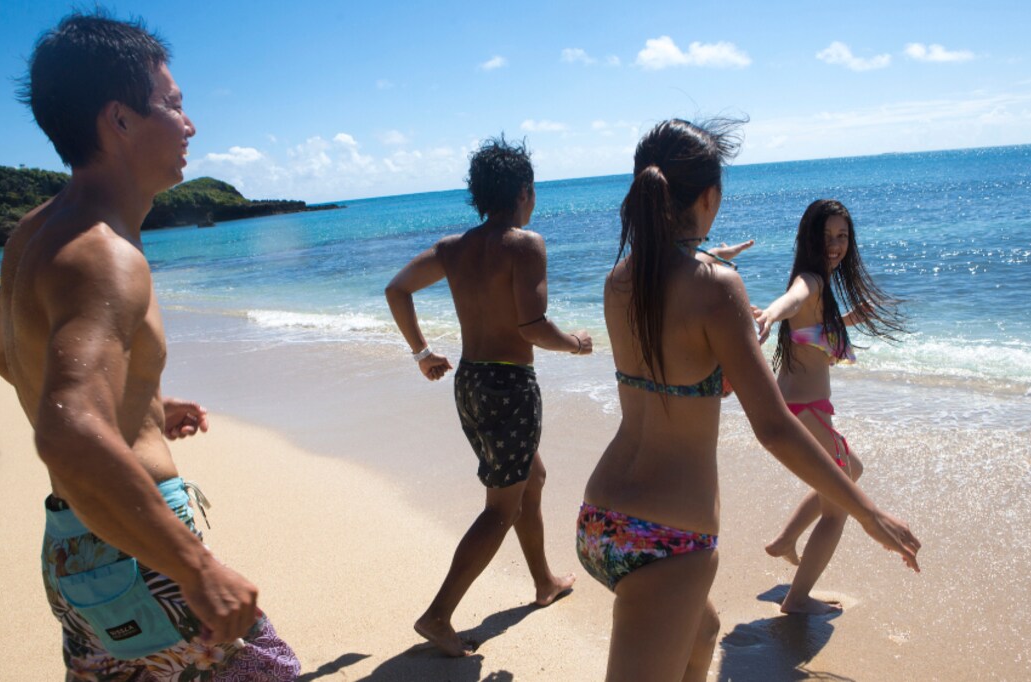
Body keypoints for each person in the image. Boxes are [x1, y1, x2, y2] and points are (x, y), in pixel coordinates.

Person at [0, 12, 299, 679]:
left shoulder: (35, 231)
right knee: (268, 669)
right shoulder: (105, 254)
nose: (190, 125)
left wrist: (140, 401)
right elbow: (69, 431)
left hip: (74, 544)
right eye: (173, 105)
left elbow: (2, 351)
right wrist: (195, 565)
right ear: (119, 119)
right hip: (136, 549)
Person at [576, 119, 920, 682]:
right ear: (709, 197)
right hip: (669, 537)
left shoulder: (620, 279)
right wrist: (868, 512)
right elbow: (774, 427)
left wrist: (708, 254)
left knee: (704, 633)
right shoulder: (716, 286)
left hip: (600, 517)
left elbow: (672, 294)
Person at [385, 135, 591, 657]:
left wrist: (422, 353)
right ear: (524, 192)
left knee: (530, 478)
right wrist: (575, 344)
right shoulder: (525, 244)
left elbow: (396, 289)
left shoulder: (452, 248)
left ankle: (544, 581)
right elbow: (532, 327)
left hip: (471, 382)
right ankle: (438, 615)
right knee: (501, 507)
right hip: (510, 387)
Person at [756, 198, 910, 614]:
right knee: (839, 507)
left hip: (804, 408)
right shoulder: (810, 280)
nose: (835, 244)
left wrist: (852, 318)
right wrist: (771, 313)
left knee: (849, 472)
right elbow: (793, 299)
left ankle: (786, 540)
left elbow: (812, 329)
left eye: (842, 236)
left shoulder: (822, 285)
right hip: (804, 411)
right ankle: (797, 599)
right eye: (827, 236)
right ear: (810, 238)